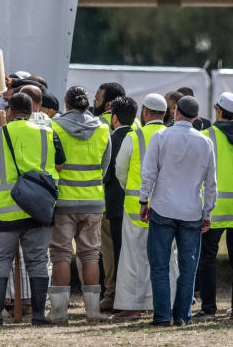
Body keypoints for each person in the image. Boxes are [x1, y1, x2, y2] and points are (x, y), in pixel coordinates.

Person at [0, 92, 65, 327]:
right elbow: (60, 164)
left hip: (2, 212)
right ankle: (39, 315)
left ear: (9, 111)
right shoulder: (48, 134)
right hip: (39, 209)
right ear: (33, 112)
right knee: (37, 261)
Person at [138, 95, 216, 326]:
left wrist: (144, 200)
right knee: (188, 267)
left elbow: (149, 172)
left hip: (163, 207)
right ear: (197, 117)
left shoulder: (161, 136)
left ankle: (161, 316)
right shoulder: (205, 142)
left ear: (175, 112)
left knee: (160, 266)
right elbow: (211, 183)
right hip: (192, 211)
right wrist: (207, 213)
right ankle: (182, 314)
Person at [47, 86, 112, 323]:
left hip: (63, 200)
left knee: (61, 255)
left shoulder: (54, 127)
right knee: (91, 255)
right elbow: (105, 168)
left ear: (66, 104)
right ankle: (93, 312)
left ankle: (59, 313)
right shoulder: (103, 129)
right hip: (94, 200)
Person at [113, 93, 171, 318]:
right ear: (165, 114)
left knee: (133, 258)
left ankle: (132, 306)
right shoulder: (171, 135)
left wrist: (131, 189)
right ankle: (165, 303)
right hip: (167, 206)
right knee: (166, 257)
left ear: (145, 112)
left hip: (135, 206)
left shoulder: (134, 136)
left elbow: (120, 168)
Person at [195, 92, 233, 319]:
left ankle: (208, 308)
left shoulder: (207, 135)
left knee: (207, 258)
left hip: (213, 208)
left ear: (218, 110)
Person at [101, 96, 138, 312]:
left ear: (114, 118)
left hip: (114, 204)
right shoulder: (138, 137)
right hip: (137, 204)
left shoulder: (110, 140)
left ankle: (117, 299)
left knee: (117, 252)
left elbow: (106, 174)